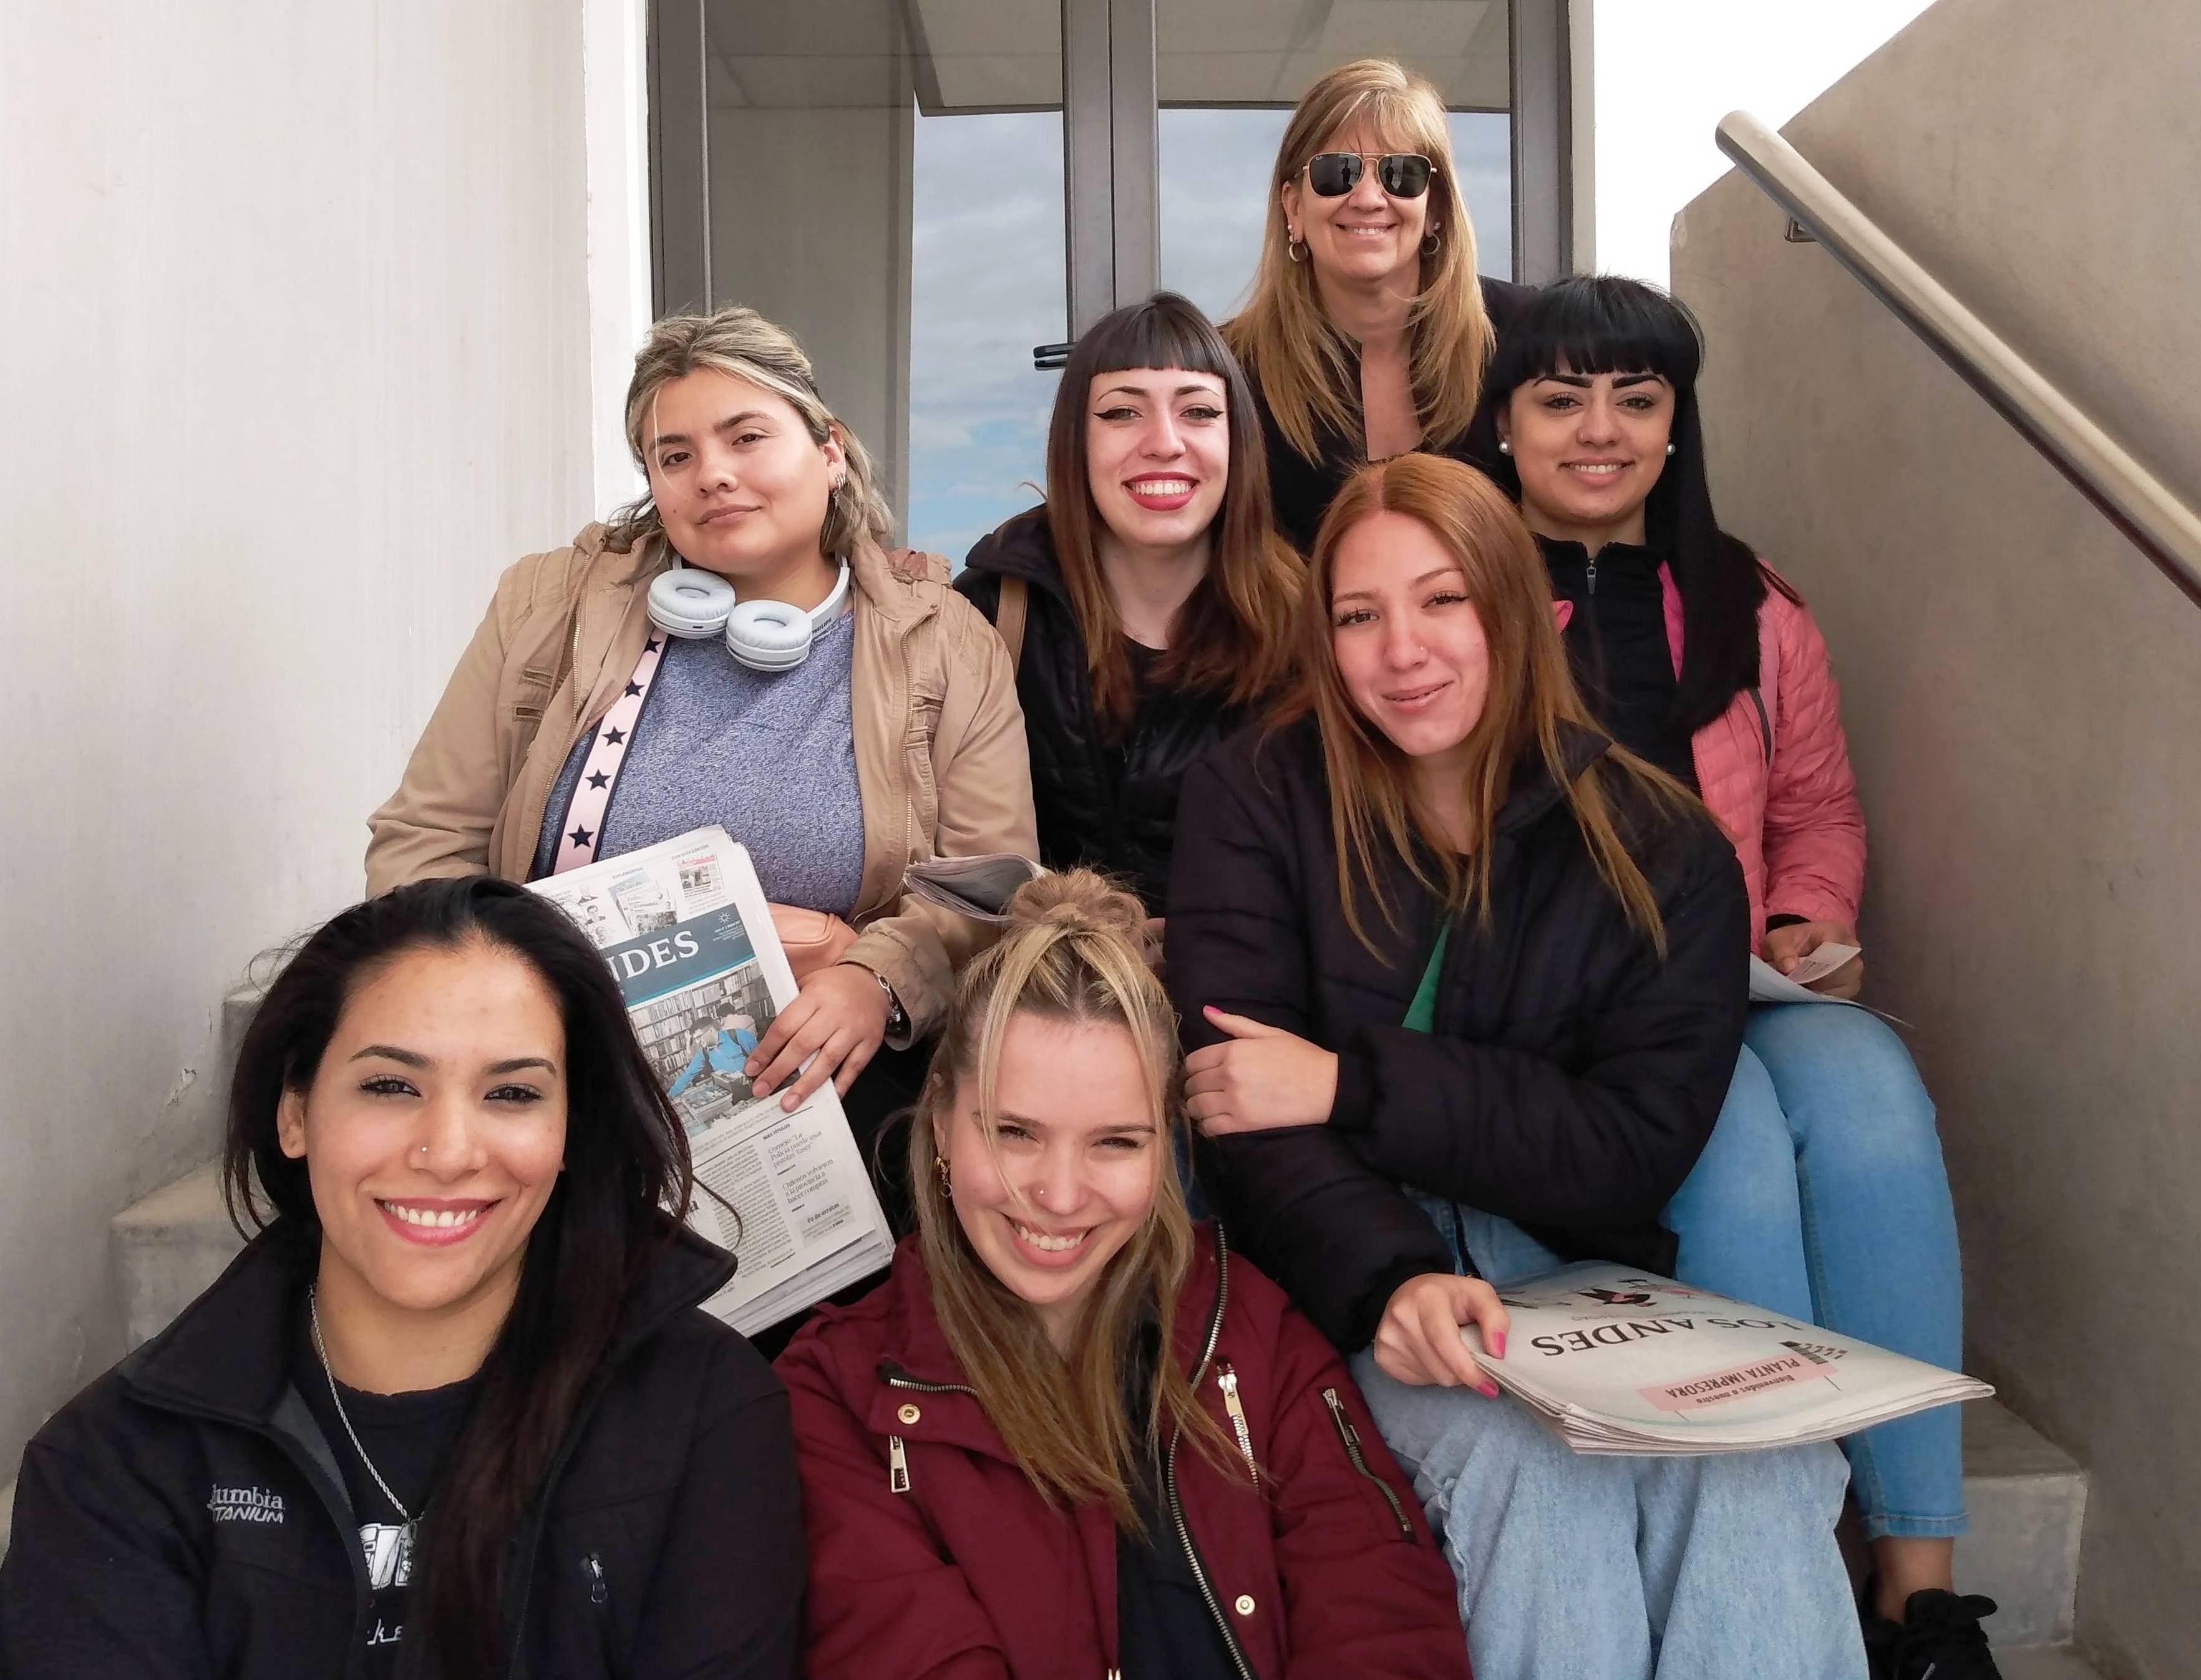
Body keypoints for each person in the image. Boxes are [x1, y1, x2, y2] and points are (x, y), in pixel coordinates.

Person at [1167, 453, 1868, 1679]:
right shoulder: (1257, 791)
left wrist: (1350, 1083)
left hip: (1577, 1273)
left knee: (1767, 1466)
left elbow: (1630, 1147)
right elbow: (1242, 1109)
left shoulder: (1664, 842)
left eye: (1442, 600)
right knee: (1534, 1474)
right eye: (1358, 613)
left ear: (1514, 608)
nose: (1402, 649)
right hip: (1338, 1271)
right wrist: (1390, 1279)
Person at [1487, 273, 1996, 1679]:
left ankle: (1918, 1592)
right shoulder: (1461, 595)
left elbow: (1815, 811)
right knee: (1742, 1142)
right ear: (1506, 420)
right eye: (1561, 397)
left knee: (1879, 1091)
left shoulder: (1749, 602)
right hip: (1572, 1005)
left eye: (1636, 400)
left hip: (1741, 978)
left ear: (1675, 423)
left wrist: (1809, 919)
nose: (1600, 430)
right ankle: (1780, 1534)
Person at [0, 876, 803, 1677]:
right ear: (294, 1111)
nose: (449, 1150)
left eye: (512, 1092)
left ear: (568, 1132)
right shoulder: (111, 1463)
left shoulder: (708, 1411)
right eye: (390, 1084)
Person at [366, 306, 1038, 1230]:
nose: (712, 473)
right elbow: (425, 841)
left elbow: (993, 890)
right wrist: (504, 1001)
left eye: (746, 436)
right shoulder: (548, 604)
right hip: (556, 1057)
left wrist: (875, 978)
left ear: (830, 451)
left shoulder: (946, 641)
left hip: (818, 1084)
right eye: (674, 456)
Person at [777, 870, 1470, 1680]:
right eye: (1014, 1133)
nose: (1061, 1196)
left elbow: (1381, 1625)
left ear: (1166, 1146)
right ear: (939, 1126)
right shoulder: (833, 1394)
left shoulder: (1252, 1328)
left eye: (1115, 1142)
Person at [956, 292, 1300, 916]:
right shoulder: (989, 613)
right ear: (1075, 442)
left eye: (1198, 411)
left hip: (1231, 1001)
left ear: (1239, 440)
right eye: (1122, 413)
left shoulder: (1309, 628)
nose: (1164, 443)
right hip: (1037, 998)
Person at [1222, 56, 1532, 556]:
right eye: (1337, 172)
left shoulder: (1526, 336)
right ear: (1293, 207)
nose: (1368, 198)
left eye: (1401, 173)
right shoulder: (1226, 370)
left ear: (1435, 209)